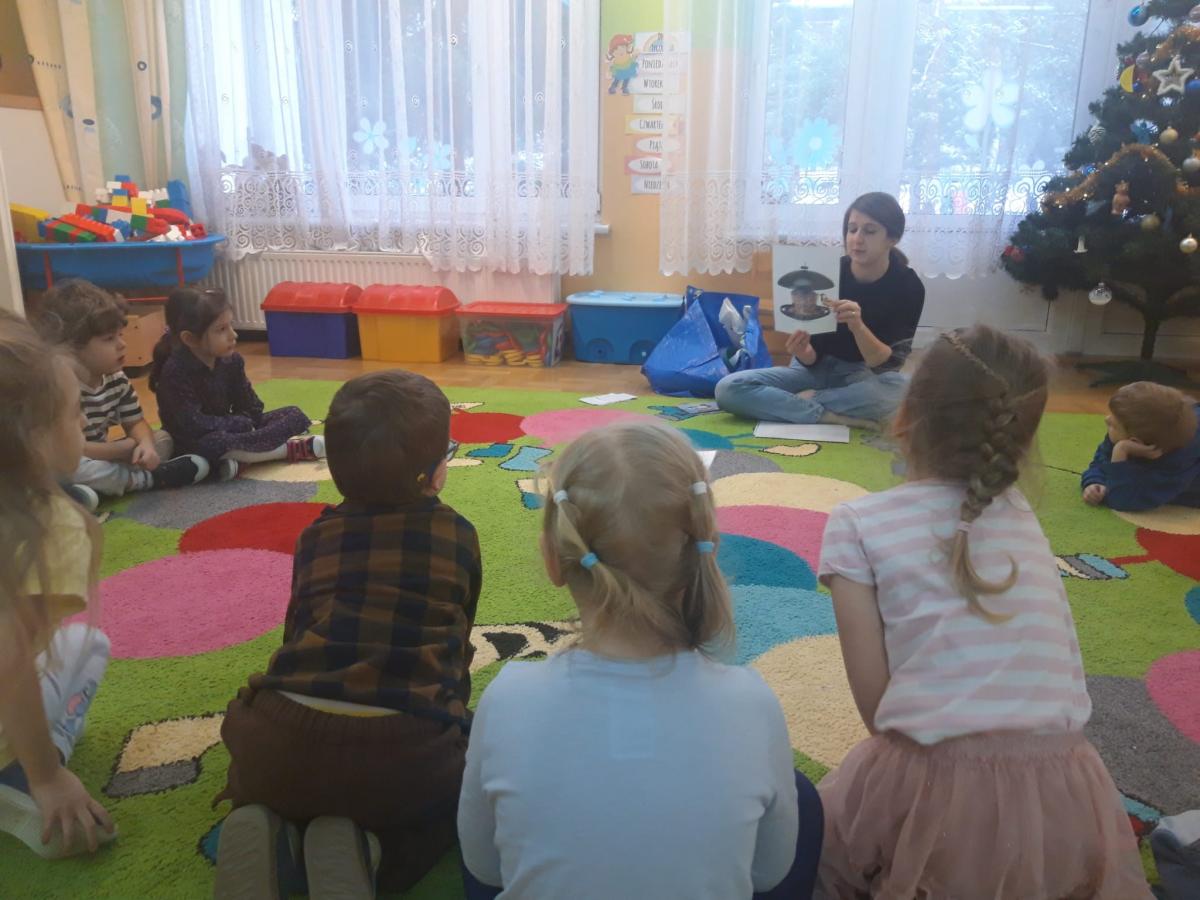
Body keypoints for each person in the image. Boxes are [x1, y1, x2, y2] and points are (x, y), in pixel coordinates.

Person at [816, 325, 1151, 898]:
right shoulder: (1021, 513)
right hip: (1066, 799)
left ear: (905, 415)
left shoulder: (856, 523)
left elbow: (879, 715)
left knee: (809, 833)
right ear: (1025, 437)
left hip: (933, 791)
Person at [458, 421, 823, 900]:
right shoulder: (751, 700)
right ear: (705, 550)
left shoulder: (507, 695)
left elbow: (485, 867)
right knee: (802, 798)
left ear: (552, 558)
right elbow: (768, 874)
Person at [214, 370, 481, 899]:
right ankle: (376, 858)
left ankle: (264, 822)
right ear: (433, 475)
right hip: (403, 753)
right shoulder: (456, 534)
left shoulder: (316, 535)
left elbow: (295, 635)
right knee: (460, 791)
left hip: (280, 740)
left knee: (260, 747)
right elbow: (456, 650)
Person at [0, 311, 116, 859]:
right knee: (90, 644)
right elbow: (8, 661)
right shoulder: (51, 526)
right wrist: (46, 775)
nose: (84, 423)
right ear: (34, 438)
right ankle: (25, 775)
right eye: (75, 412)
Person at [715, 192, 925, 427]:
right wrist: (804, 352)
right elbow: (812, 357)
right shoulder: (829, 273)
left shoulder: (907, 285)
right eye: (852, 229)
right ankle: (827, 414)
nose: (857, 239)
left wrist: (858, 327)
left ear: (892, 238)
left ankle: (799, 404)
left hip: (860, 375)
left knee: (902, 391)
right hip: (810, 371)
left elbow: (888, 364)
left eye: (869, 231)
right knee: (727, 389)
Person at [31, 279, 209, 509]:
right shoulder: (60, 386)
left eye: (120, 335)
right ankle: (147, 479)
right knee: (74, 469)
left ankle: (85, 492)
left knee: (163, 439)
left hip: (103, 456)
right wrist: (119, 449)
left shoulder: (116, 379)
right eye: (109, 339)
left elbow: (135, 422)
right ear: (72, 347)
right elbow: (69, 450)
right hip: (71, 459)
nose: (122, 344)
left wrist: (144, 444)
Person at [149, 287, 320, 481]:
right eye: (221, 329)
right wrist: (238, 424)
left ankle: (240, 461)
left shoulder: (232, 361)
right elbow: (193, 425)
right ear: (190, 339)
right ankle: (289, 450)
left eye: (230, 325)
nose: (233, 335)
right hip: (195, 441)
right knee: (215, 443)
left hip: (234, 431)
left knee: (294, 415)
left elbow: (252, 407)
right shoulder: (175, 371)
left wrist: (245, 422)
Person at [1081, 381, 1200, 511]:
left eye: (1113, 425)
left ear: (1135, 442)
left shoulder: (1174, 466)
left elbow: (1123, 500)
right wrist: (1094, 481)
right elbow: (1100, 461)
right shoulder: (1130, 433)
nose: (1106, 419)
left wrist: (1121, 450)